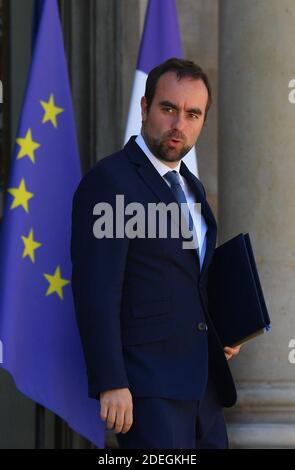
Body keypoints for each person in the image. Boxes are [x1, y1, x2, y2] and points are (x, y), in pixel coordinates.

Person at [71, 58, 240, 449]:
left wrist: (222, 330)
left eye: (192, 113)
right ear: (145, 108)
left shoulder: (192, 188)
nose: (179, 124)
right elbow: (96, 291)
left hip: (204, 388)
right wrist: (111, 381)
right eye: (169, 109)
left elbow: (190, 280)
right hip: (147, 390)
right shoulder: (110, 182)